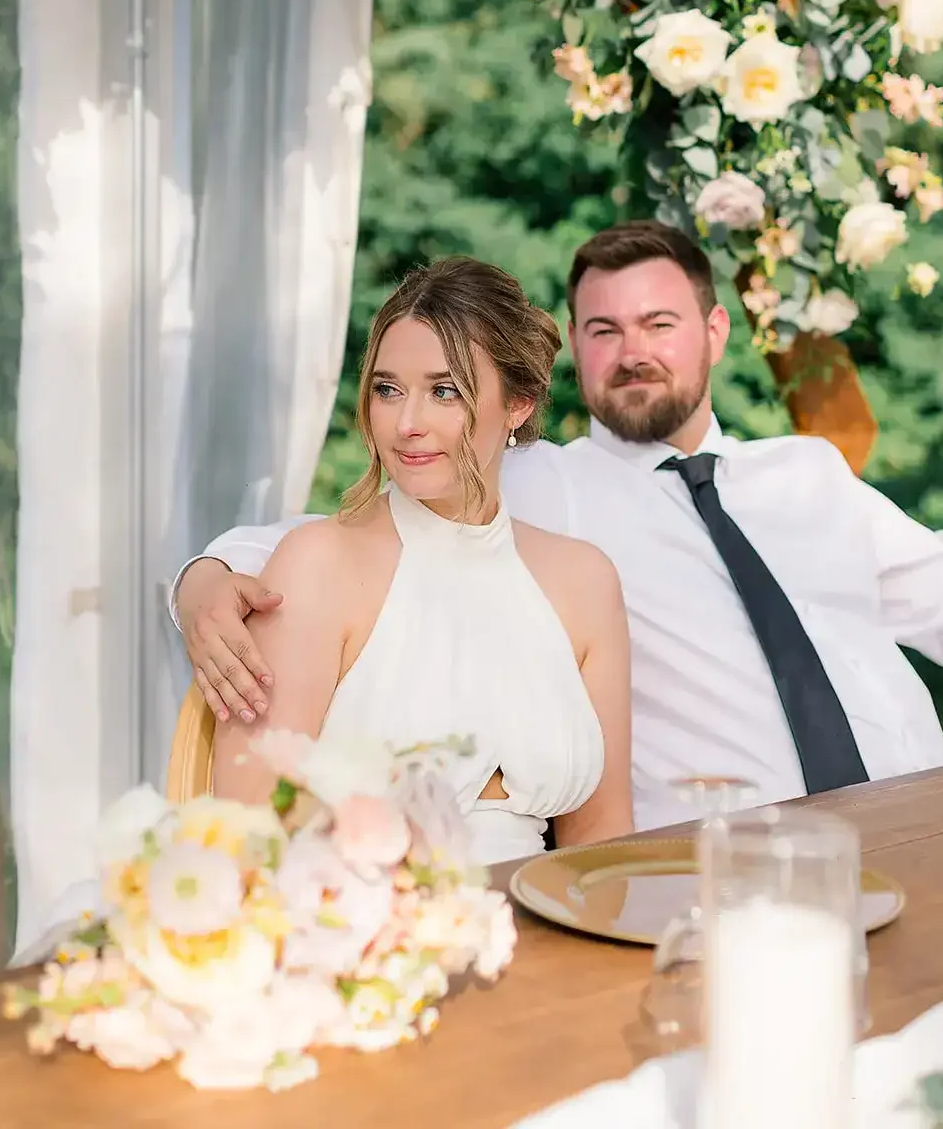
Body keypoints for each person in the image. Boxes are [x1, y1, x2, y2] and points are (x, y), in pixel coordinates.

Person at [174, 220, 943, 833]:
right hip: (735, 851)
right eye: (603, 331)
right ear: (572, 349)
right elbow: (352, 537)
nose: (631, 351)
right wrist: (204, 578)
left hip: (930, 813)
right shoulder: (548, 485)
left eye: (659, 325)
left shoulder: (808, 475)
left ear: (713, 332)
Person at [211, 256, 633, 866]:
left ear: (517, 405)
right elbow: (246, 835)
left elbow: (603, 841)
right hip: (360, 934)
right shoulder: (317, 566)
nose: (406, 424)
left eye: (444, 391)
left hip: (549, 933)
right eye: (387, 390)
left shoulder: (585, 582)